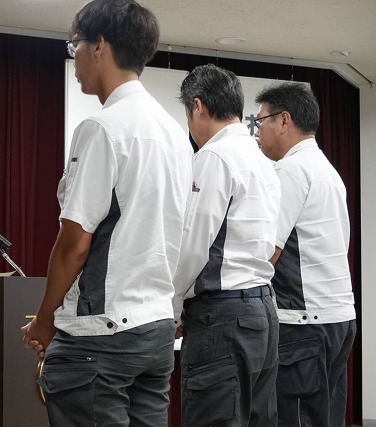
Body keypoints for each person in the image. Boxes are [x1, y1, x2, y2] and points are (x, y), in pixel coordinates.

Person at [21, 1, 193, 425]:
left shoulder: (102, 127)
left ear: (98, 46)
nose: (74, 58)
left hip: (103, 332)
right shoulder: (174, 132)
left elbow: (74, 244)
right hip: (155, 328)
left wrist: (45, 320)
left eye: (74, 45)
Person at [172, 64, 281, 426]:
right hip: (263, 311)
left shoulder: (214, 156)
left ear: (197, 106)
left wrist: (171, 307)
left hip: (222, 316)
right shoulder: (262, 160)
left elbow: (193, 245)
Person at [255, 82, 356, 427]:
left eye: (260, 121)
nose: (257, 132)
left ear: (284, 120)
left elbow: (268, 252)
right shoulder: (328, 170)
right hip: (338, 318)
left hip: (303, 323)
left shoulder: (290, 170)